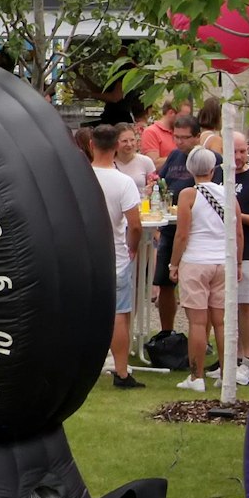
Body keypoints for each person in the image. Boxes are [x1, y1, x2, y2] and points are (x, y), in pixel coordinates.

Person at [169, 148, 242, 394]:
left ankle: (196, 376)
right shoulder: (229, 195)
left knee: (197, 323)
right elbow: (238, 233)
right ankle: (225, 374)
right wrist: (238, 263)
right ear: (213, 169)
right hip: (223, 261)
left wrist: (174, 263)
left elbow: (182, 234)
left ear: (190, 169)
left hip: (196, 260)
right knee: (222, 323)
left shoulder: (188, 195)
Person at [88, 126, 144, 389]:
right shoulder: (123, 182)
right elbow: (135, 224)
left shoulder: (83, 178)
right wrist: (133, 247)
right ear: (116, 147)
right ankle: (121, 371)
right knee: (120, 314)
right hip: (115, 256)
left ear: (91, 145)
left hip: (86, 254)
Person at [148, 113, 199, 339]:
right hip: (169, 227)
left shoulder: (207, 159)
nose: (179, 142)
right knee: (164, 281)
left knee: (195, 287)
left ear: (197, 137)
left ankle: (199, 334)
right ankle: (166, 333)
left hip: (195, 230)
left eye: (185, 138)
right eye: (176, 137)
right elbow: (161, 181)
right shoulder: (175, 156)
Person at [231, 131, 249, 386]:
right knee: (231, 307)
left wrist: (236, 216)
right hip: (223, 252)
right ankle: (235, 358)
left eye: (243, 152)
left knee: (247, 306)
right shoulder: (218, 177)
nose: (239, 157)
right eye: (234, 152)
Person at [113, 123, 154, 197]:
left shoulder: (146, 161)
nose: (129, 144)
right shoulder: (109, 164)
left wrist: (151, 189)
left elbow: (155, 188)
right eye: (124, 141)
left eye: (132, 140)